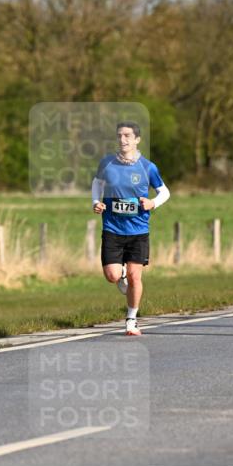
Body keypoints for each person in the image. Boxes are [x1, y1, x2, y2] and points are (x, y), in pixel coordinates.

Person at [92, 121, 170, 336]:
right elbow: (97, 183)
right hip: (112, 228)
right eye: (119, 136)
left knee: (136, 278)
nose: (122, 140)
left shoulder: (147, 167)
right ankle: (122, 273)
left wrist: (153, 203)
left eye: (127, 136)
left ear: (137, 140)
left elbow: (165, 192)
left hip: (138, 230)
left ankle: (131, 320)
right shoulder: (107, 163)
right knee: (112, 275)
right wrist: (95, 202)